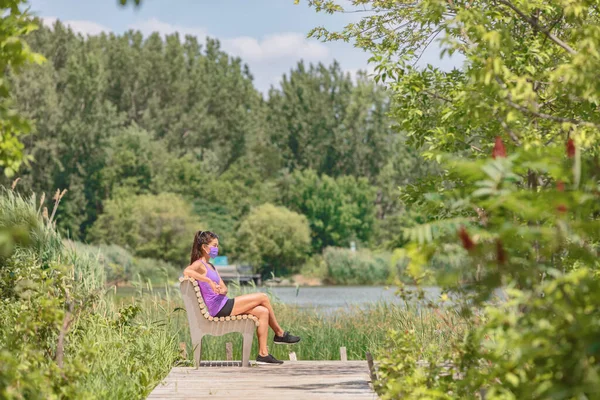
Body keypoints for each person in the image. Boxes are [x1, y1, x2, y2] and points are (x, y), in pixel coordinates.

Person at [183, 230, 301, 365]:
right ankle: (280, 334)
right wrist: (208, 281)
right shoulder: (199, 264)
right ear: (204, 247)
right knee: (263, 297)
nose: (217, 249)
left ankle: (263, 354)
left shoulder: (211, 266)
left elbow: (224, 288)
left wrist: (222, 290)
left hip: (224, 302)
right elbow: (186, 271)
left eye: (217, 245)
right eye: (214, 245)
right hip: (219, 309)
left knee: (263, 312)